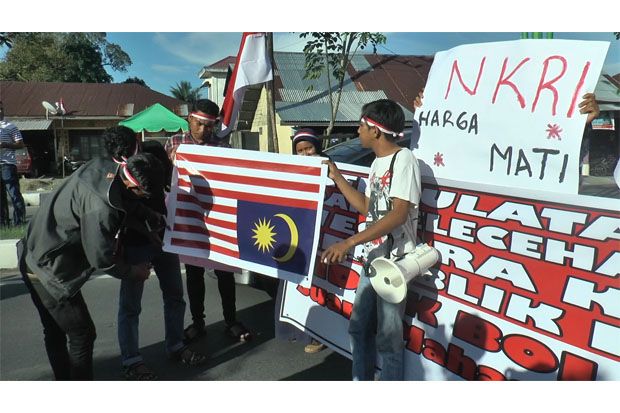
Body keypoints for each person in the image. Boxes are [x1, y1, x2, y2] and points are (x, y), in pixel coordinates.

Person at [17, 149, 164, 380]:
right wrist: (133, 272)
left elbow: (124, 202)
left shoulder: (104, 166)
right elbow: (101, 257)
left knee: (55, 331)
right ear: (135, 186)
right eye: (145, 194)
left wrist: (147, 222)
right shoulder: (100, 207)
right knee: (82, 334)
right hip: (47, 270)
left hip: (32, 249)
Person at [321, 99, 421, 381]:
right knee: (358, 327)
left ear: (375, 131)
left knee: (388, 338)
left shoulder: (404, 160)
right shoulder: (377, 163)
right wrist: (338, 178)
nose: (358, 130)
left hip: (395, 263)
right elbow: (370, 208)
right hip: (373, 259)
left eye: (362, 125)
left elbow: (399, 214)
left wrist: (349, 242)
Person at [105, 127, 206, 381]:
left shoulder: (154, 151)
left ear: (136, 143)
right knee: (130, 305)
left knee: (174, 294)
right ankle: (132, 360)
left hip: (164, 235)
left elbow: (174, 182)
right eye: (120, 158)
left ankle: (175, 345)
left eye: (129, 152)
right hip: (135, 241)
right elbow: (121, 209)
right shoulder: (112, 167)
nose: (126, 160)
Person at [165, 99, 252, 342]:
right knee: (194, 273)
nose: (204, 130)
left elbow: (234, 184)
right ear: (189, 119)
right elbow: (164, 182)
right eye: (200, 124)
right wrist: (171, 164)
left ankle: (231, 320)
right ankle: (198, 322)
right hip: (190, 218)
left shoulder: (223, 147)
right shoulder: (174, 143)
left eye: (210, 126)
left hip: (218, 220)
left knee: (225, 273)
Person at [283, 128, 327, 354]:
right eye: (300, 151)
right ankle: (298, 329)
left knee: (318, 288)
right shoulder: (292, 173)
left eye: (309, 148)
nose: (306, 154)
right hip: (297, 240)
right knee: (296, 287)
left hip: (321, 240)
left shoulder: (330, 170)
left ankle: (320, 335)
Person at [0, 101, 26, 226]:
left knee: (14, 193)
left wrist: (5, 144)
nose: (0, 111)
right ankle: (3, 223)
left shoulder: (11, 126)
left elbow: (20, 144)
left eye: (1, 109)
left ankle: (19, 221)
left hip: (8, 165)